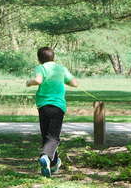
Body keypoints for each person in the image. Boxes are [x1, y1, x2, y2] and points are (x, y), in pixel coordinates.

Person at [26, 46, 79, 177]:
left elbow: (38, 80)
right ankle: (50, 160)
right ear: (53, 57)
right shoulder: (61, 69)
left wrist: (29, 82)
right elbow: (75, 83)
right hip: (58, 107)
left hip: (43, 106)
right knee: (53, 137)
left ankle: (49, 159)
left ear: (39, 59)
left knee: (47, 136)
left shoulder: (41, 68)